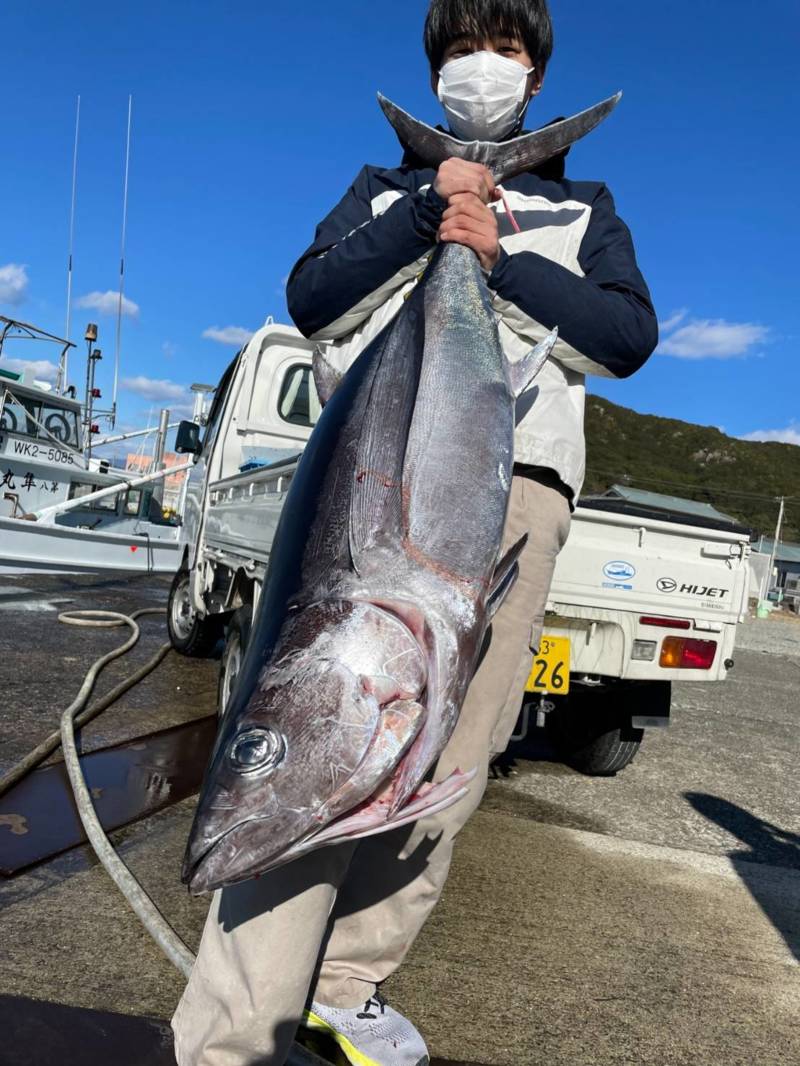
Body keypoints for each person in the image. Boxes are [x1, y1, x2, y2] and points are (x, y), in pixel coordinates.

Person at [171, 2, 657, 1063]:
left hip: (513, 490)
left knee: (453, 752)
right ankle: (229, 1031)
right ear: (434, 71)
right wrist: (422, 217)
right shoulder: (383, 190)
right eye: (461, 52)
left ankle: (347, 983)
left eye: (508, 50)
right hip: (364, 480)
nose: (482, 68)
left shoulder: (582, 209)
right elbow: (309, 299)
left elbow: (627, 339)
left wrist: (500, 255)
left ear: (535, 78)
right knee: (308, 721)